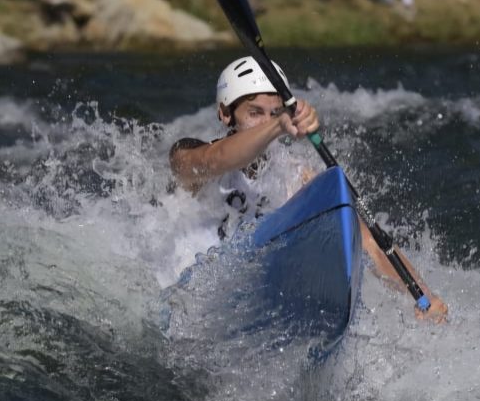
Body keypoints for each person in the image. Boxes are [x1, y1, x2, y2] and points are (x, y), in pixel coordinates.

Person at [169, 57, 448, 322]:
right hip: (185, 297)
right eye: (255, 113)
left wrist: (424, 295)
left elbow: (370, 244)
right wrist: (278, 124)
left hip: (253, 289)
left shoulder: (294, 173)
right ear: (225, 114)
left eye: (275, 112)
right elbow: (218, 158)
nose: (266, 121)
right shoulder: (190, 159)